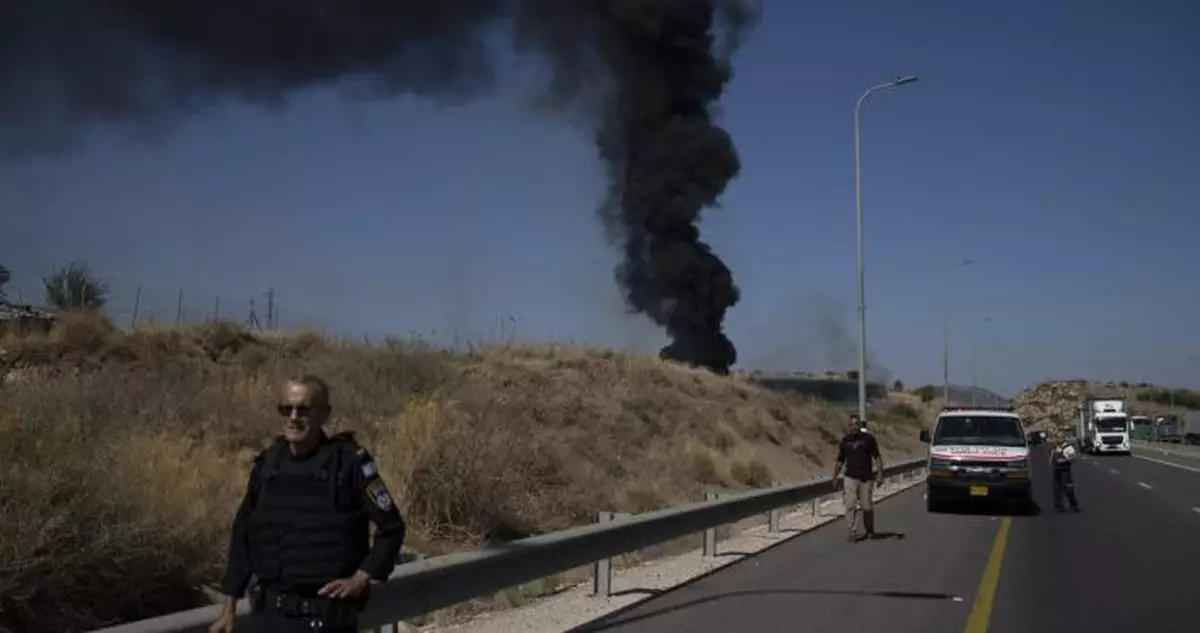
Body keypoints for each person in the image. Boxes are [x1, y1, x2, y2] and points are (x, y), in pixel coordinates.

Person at [209, 375, 407, 633]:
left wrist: (361, 578)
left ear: (324, 414)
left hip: (325, 620)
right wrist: (229, 607)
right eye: (286, 409)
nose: (293, 417)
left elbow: (391, 528)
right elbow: (243, 535)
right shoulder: (268, 465)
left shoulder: (347, 463)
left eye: (303, 409)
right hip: (269, 617)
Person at [833, 415, 884, 542]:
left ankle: (870, 528)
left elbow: (877, 457)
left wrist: (880, 474)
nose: (853, 427)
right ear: (848, 426)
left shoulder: (868, 439)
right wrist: (834, 476)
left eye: (856, 424)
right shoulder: (845, 441)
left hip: (866, 478)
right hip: (850, 477)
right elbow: (840, 460)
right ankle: (852, 531)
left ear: (860, 426)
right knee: (850, 505)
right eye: (851, 425)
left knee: (866, 506)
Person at [1049, 430, 1081, 513]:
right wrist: (1051, 461)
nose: (1059, 438)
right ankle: (1058, 507)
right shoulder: (1055, 447)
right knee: (1056, 490)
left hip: (1065, 471)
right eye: (1057, 437)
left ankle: (1074, 505)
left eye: (1061, 437)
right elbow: (1052, 456)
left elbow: (1074, 459)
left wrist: (1064, 460)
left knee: (1068, 490)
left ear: (1064, 438)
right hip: (1056, 471)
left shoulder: (1068, 447)